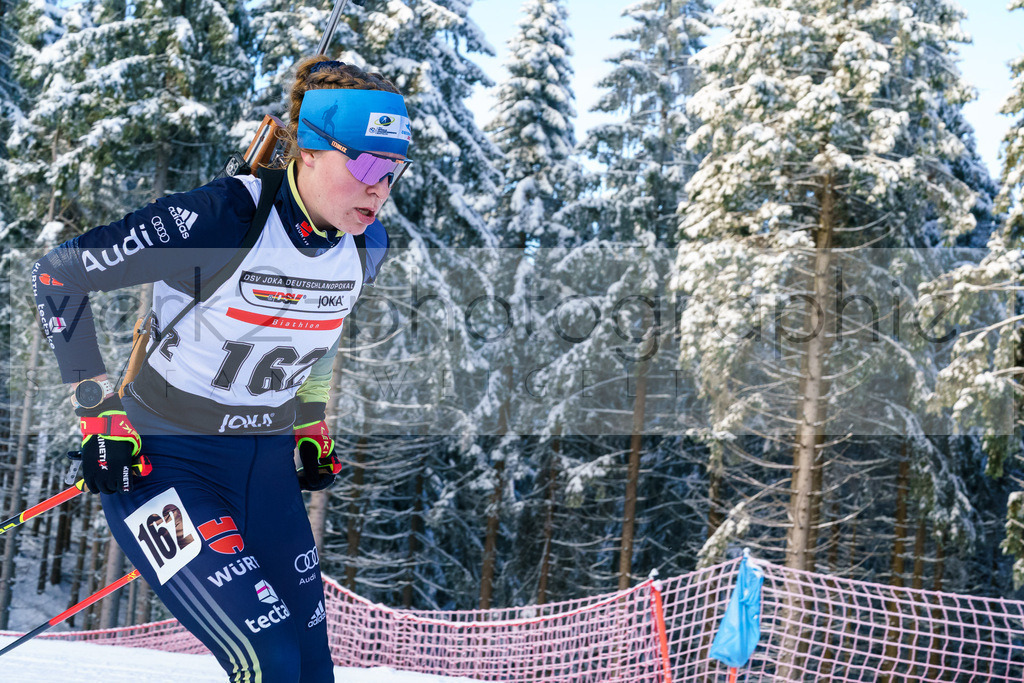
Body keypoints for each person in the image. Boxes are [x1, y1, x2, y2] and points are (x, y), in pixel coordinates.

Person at [31, 56, 412, 682]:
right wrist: (98, 412)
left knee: (312, 669)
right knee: (268, 660)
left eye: (395, 169)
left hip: (263, 467)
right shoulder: (222, 217)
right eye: (368, 164)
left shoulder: (365, 244)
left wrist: (310, 422)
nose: (382, 187)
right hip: (166, 464)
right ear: (310, 151)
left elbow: (315, 331)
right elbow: (58, 274)